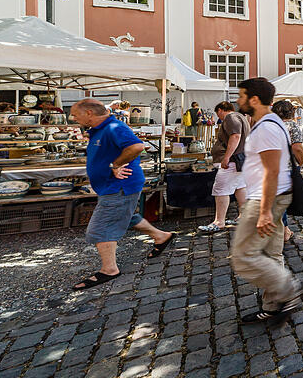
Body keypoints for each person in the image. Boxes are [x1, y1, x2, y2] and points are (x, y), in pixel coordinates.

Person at [70, 99, 175, 291]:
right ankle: (161, 236)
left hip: (120, 186)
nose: (73, 118)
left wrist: (116, 165)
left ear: (89, 113)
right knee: (126, 217)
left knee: (100, 228)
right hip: (112, 186)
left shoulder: (113, 127)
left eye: (75, 114)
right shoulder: (102, 125)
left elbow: (137, 146)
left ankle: (109, 269)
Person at [232, 78, 301, 325]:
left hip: (266, 200)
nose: (238, 101)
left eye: (241, 96)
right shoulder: (267, 123)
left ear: (254, 100)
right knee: (272, 254)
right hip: (272, 198)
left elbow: (271, 172)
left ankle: (287, 288)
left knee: (243, 257)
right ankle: (273, 307)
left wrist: (263, 212)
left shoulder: (268, 128)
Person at [199, 102, 249, 233]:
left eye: (218, 113)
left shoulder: (231, 118)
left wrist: (226, 157)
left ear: (220, 110)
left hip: (233, 161)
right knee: (240, 188)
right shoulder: (241, 117)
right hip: (240, 160)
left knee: (221, 189)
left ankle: (219, 221)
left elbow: (235, 136)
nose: (218, 117)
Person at [272, 100, 303, 246]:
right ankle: (284, 231)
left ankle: (283, 229)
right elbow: (297, 148)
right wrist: (301, 161)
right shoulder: (292, 126)